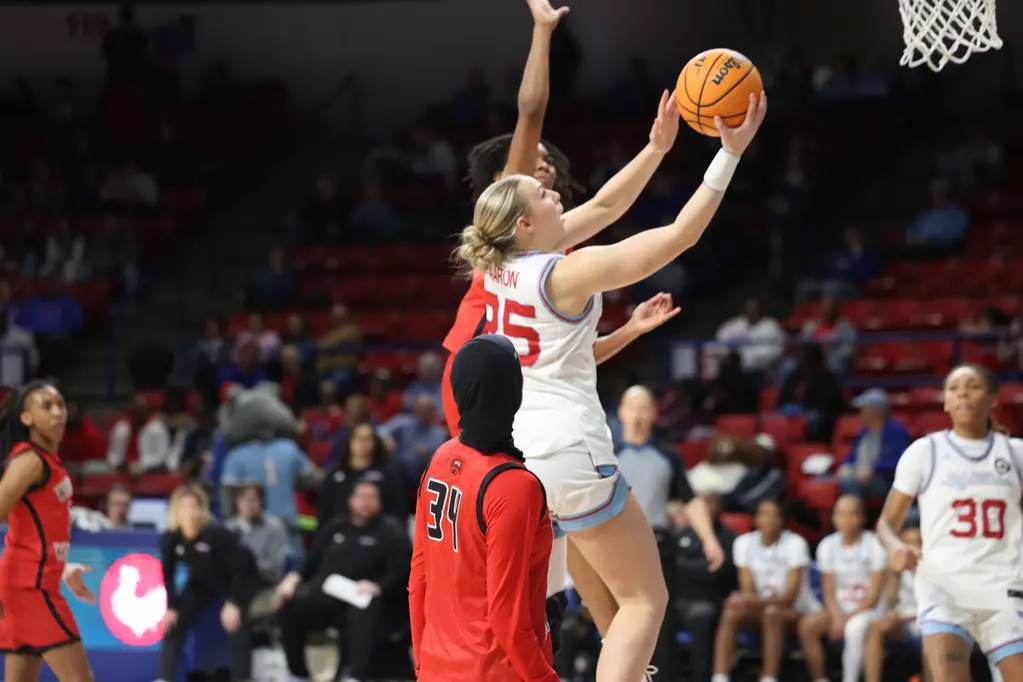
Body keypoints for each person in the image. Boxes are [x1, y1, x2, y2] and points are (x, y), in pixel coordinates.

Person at [458, 81, 767, 680]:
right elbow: (679, 236)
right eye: (544, 195)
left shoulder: (494, 266)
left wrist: (656, 148)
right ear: (526, 223)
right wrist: (729, 152)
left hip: (517, 457)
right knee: (644, 601)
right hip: (570, 448)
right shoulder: (568, 272)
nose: (555, 194)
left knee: (595, 598)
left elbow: (601, 208)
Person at [441, 0, 686, 441]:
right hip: (479, 375)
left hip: (522, 392)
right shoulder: (506, 224)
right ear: (503, 181)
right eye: (530, 160)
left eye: (547, 162)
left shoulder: (553, 242)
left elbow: (606, 207)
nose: (542, 163)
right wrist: (543, 32)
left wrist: (629, 330)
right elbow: (531, 112)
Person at [409, 335, 557, 682]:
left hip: (436, 668)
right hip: (497, 671)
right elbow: (507, 613)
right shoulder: (514, 485)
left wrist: (423, 663)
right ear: (512, 394)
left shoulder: (441, 457)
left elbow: (419, 578)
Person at [876, 363, 1023, 682]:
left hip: (1004, 585)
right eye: (954, 389)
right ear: (944, 401)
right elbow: (886, 523)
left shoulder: (1016, 454)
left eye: (972, 386)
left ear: (993, 398)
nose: (962, 394)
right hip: (944, 587)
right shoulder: (925, 451)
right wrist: (896, 546)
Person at [0, 380, 95, 682]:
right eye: (46, 406)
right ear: (26, 418)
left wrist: (62, 567)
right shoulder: (30, 460)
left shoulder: (48, 459)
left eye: (61, 406)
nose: (57, 413)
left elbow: (37, 529)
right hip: (30, 588)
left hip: (33, 580)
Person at [276, 479, 411, 682]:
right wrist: (292, 579)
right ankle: (297, 674)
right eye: (361, 497)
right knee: (288, 605)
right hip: (325, 595)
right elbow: (310, 561)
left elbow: (401, 570)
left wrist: (379, 586)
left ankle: (355, 676)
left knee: (364, 608)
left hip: (363, 599)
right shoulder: (335, 526)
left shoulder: (390, 531)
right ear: (351, 500)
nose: (366, 502)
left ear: (380, 502)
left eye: (371, 497)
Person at [158, 484, 261, 682]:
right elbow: (168, 575)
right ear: (175, 511)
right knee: (174, 620)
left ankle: (243, 677)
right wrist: (171, 607)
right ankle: (164, 677)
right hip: (203, 582)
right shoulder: (170, 538)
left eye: (194, 507)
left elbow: (242, 568)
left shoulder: (216, 534)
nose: (189, 513)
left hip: (240, 579)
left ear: (202, 510)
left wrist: (233, 602)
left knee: (234, 621)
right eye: (184, 507)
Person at [711, 498, 818, 682]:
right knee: (732, 610)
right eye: (765, 515)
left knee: (771, 612)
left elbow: (789, 598)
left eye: (775, 515)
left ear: (782, 520)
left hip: (796, 612)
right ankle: (720, 676)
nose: (770, 520)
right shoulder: (744, 543)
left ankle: (769, 677)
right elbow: (748, 590)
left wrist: (747, 600)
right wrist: (745, 601)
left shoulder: (795, 543)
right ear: (756, 519)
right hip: (760, 609)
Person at [798, 494, 886, 682]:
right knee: (808, 626)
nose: (847, 519)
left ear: (862, 517)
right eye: (841, 514)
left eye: (852, 514)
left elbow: (874, 596)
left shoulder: (875, 544)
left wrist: (846, 618)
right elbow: (828, 591)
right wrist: (837, 616)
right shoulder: (827, 545)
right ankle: (820, 678)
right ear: (834, 518)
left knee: (854, 628)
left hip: (868, 609)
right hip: (837, 609)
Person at [857, 523, 923, 682]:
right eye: (906, 542)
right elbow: (887, 605)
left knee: (933, 633)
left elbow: (938, 610)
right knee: (876, 627)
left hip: (925, 623)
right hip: (903, 626)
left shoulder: (933, 571)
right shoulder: (893, 570)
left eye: (915, 542)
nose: (910, 547)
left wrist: (902, 617)